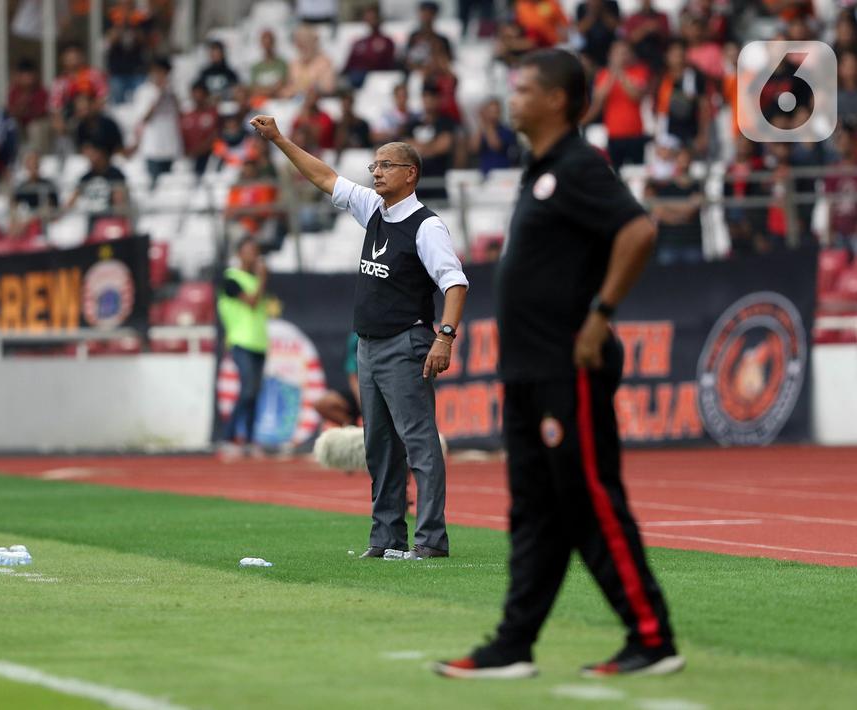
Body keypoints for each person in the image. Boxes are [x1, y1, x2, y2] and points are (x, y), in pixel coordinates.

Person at [436, 48, 679, 679]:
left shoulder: (575, 165)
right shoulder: (537, 168)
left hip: (566, 366)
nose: (511, 98)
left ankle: (652, 639)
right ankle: (513, 644)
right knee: (533, 517)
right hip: (527, 370)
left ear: (556, 101)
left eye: (523, 89)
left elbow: (639, 230)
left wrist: (600, 317)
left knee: (592, 500)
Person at [249, 114, 468, 560]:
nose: (376, 171)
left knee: (419, 444)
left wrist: (444, 337)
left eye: (386, 165)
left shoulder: (426, 226)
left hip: (407, 344)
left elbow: (455, 282)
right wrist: (278, 139)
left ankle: (430, 540)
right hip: (368, 345)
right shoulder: (373, 209)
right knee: (379, 448)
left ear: (411, 174)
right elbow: (324, 176)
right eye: (374, 165)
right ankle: (386, 539)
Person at [217, 237, 269, 459]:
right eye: (248, 251)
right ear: (239, 254)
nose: (253, 256)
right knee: (247, 389)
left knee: (254, 393)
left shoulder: (251, 279)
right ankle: (229, 438)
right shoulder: (231, 279)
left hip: (258, 342)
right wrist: (262, 278)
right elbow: (251, 301)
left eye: (255, 251)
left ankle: (248, 440)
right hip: (240, 341)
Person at [582, 40, 650, 169]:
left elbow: (635, 96)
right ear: (610, 55)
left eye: (624, 53)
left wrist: (620, 73)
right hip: (614, 134)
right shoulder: (603, 75)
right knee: (615, 172)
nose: (621, 56)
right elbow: (599, 98)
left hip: (635, 133)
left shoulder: (640, 71)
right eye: (618, 53)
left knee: (637, 172)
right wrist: (612, 74)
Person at [646, 144, 704, 265]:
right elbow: (658, 211)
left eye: (686, 160)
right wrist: (684, 210)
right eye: (680, 159)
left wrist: (669, 207)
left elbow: (692, 210)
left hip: (691, 244)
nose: (683, 163)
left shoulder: (697, 186)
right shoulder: (665, 186)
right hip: (668, 243)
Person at [132, 57, 182, 186]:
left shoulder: (173, 91)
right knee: (154, 188)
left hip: (171, 148)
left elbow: (181, 114)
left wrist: (171, 93)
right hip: (153, 149)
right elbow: (144, 118)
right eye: (157, 72)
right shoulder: (144, 91)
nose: (160, 76)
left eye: (164, 73)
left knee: (172, 189)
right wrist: (158, 95)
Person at [314, 332, 362, 427]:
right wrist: (361, 400)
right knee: (323, 404)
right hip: (362, 392)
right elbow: (352, 374)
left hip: (383, 391)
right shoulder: (356, 338)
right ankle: (354, 430)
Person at [344, 4, 397, 88]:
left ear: (379, 18)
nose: (370, 21)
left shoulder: (387, 41)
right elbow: (349, 63)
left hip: (374, 77)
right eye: (368, 18)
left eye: (373, 18)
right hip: (354, 75)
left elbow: (386, 63)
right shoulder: (359, 42)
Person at [469, 97, 520, 175]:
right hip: (484, 174)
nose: (492, 115)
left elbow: (495, 145)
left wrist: (487, 124)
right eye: (490, 111)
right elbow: (473, 148)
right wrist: (481, 124)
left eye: (495, 111)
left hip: (501, 174)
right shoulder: (482, 130)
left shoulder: (506, 131)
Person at [250, 29, 288, 100]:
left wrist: (267, 91)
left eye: (269, 43)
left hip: (277, 101)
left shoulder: (282, 64)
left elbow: (282, 84)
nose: (267, 46)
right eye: (265, 43)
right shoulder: (256, 67)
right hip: (260, 102)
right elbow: (254, 88)